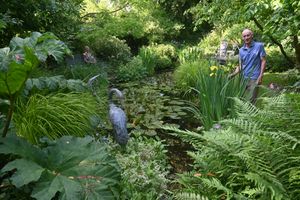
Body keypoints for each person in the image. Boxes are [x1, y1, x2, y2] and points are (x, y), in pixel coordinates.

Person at [229, 28, 266, 103]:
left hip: (254, 78)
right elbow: (241, 65)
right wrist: (233, 74)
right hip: (243, 78)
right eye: (244, 36)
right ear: (242, 38)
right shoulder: (241, 50)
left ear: (252, 35)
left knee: (251, 101)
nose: (246, 38)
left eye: (248, 35)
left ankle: (252, 114)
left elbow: (263, 61)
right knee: (242, 100)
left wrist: (261, 76)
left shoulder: (259, 46)